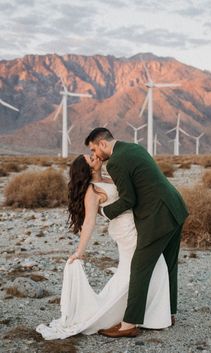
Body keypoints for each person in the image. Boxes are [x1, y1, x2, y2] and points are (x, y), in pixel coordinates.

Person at [36, 153, 171, 340]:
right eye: (91, 158)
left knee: (152, 266)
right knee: (141, 269)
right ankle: (135, 317)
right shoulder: (92, 191)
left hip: (136, 225)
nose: (95, 156)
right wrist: (79, 252)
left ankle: (151, 317)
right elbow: (89, 222)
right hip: (126, 231)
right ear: (87, 168)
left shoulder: (108, 178)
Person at [84, 128, 189, 338]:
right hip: (176, 207)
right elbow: (131, 185)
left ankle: (129, 324)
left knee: (140, 267)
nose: (95, 155)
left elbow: (127, 199)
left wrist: (104, 211)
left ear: (102, 143)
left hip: (158, 216)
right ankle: (168, 313)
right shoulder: (132, 148)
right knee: (168, 264)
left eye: (94, 149)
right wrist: (98, 172)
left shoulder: (115, 162)